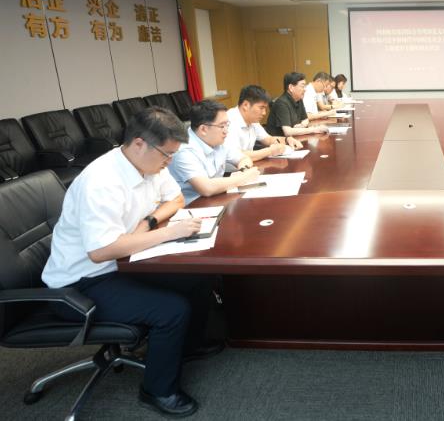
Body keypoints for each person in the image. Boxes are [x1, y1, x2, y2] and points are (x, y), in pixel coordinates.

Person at [41, 107, 215, 417]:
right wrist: (168, 233)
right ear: (139, 144)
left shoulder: (150, 164)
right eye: (167, 154)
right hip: (82, 282)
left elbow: (175, 199)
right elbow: (100, 251)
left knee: (197, 277)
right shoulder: (101, 181)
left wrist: (149, 222)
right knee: (171, 310)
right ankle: (157, 391)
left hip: (124, 260)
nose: (170, 162)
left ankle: (188, 347)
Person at [168, 100, 260, 204]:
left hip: (217, 199)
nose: (226, 131)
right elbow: (206, 188)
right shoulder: (184, 151)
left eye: (227, 124)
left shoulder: (217, 139)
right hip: (193, 206)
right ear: (203, 129)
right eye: (222, 126)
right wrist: (244, 177)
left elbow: (243, 158)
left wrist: (244, 170)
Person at [225, 85, 304, 165]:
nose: (264, 113)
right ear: (246, 105)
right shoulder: (229, 121)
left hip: (248, 165)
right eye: (261, 108)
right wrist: (270, 151)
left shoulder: (253, 120)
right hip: (232, 170)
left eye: (265, 108)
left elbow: (268, 139)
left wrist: (287, 140)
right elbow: (237, 155)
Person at [266, 72, 330, 137]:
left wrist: (302, 125)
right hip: (279, 141)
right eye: (302, 86)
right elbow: (288, 132)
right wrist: (313, 129)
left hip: (293, 138)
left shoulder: (299, 99)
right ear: (291, 88)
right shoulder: (281, 103)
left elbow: (305, 119)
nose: (305, 90)